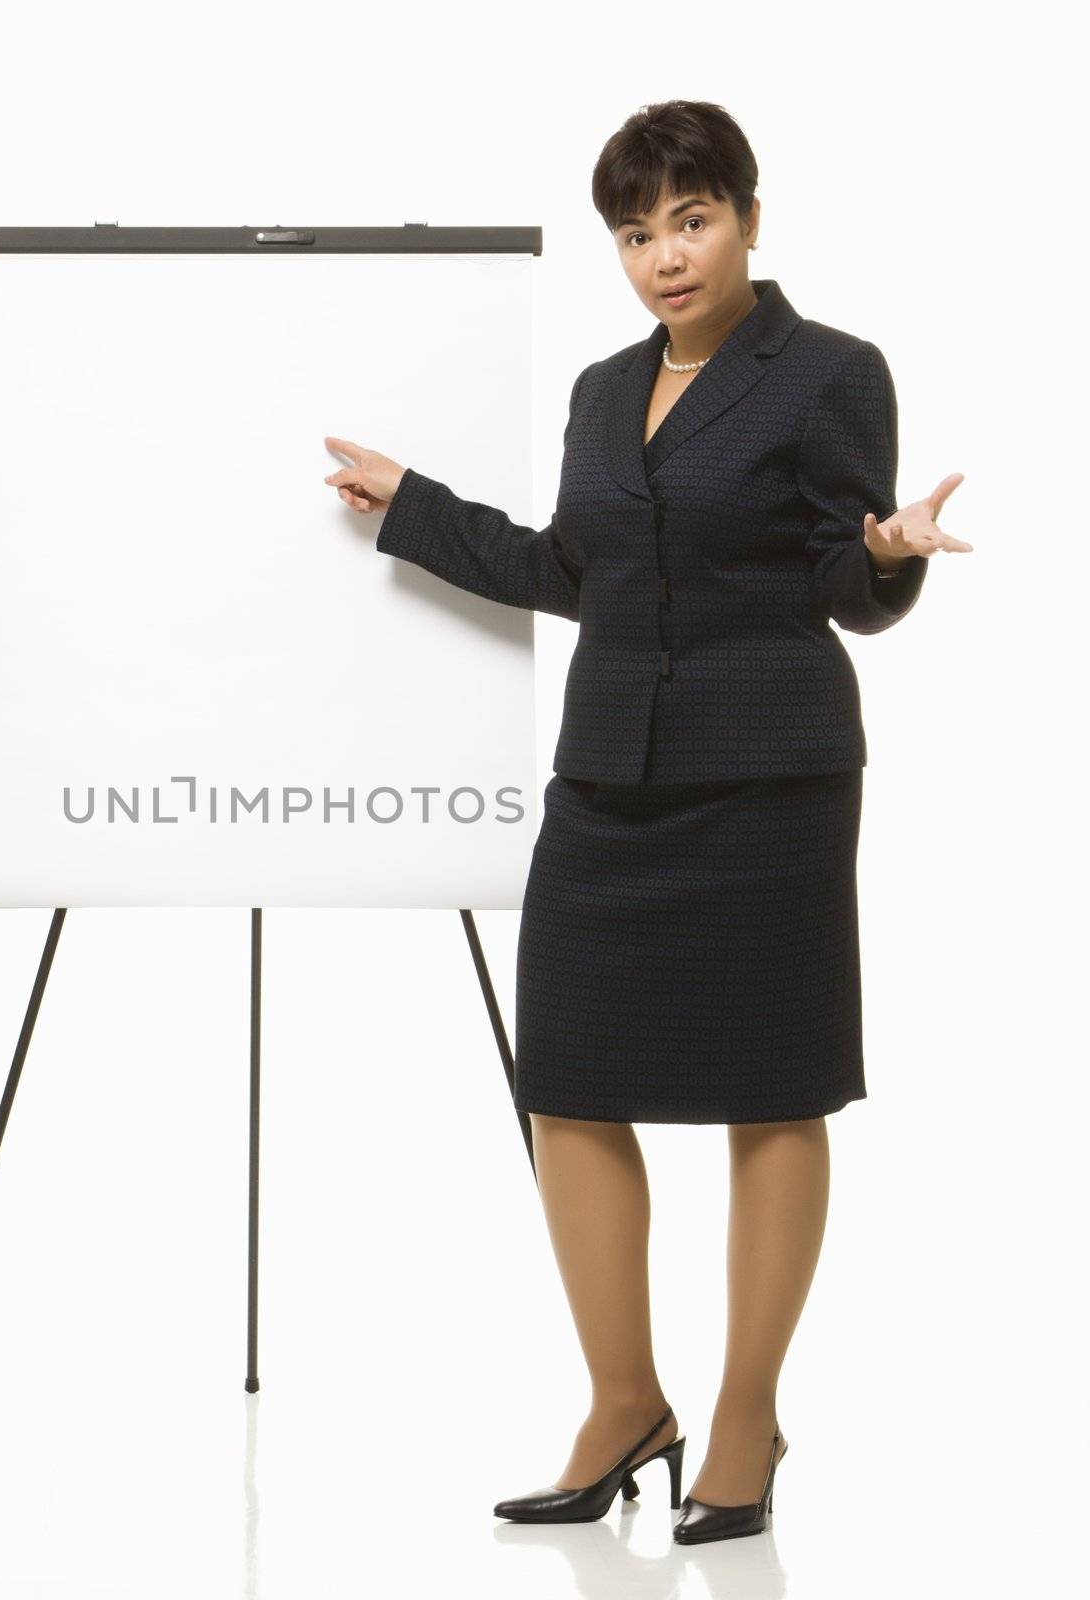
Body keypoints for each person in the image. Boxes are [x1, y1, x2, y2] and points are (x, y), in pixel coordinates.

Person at [322, 99, 970, 1544]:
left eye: (693, 220)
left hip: (770, 774)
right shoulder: (606, 393)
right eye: (637, 232)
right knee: (567, 1082)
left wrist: (884, 552)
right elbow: (580, 568)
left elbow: (841, 581)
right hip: (611, 773)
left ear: (747, 215)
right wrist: (415, 508)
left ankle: (747, 1417)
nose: (667, 256)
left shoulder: (829, 374)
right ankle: (627, 1402)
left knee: (775, 1087)